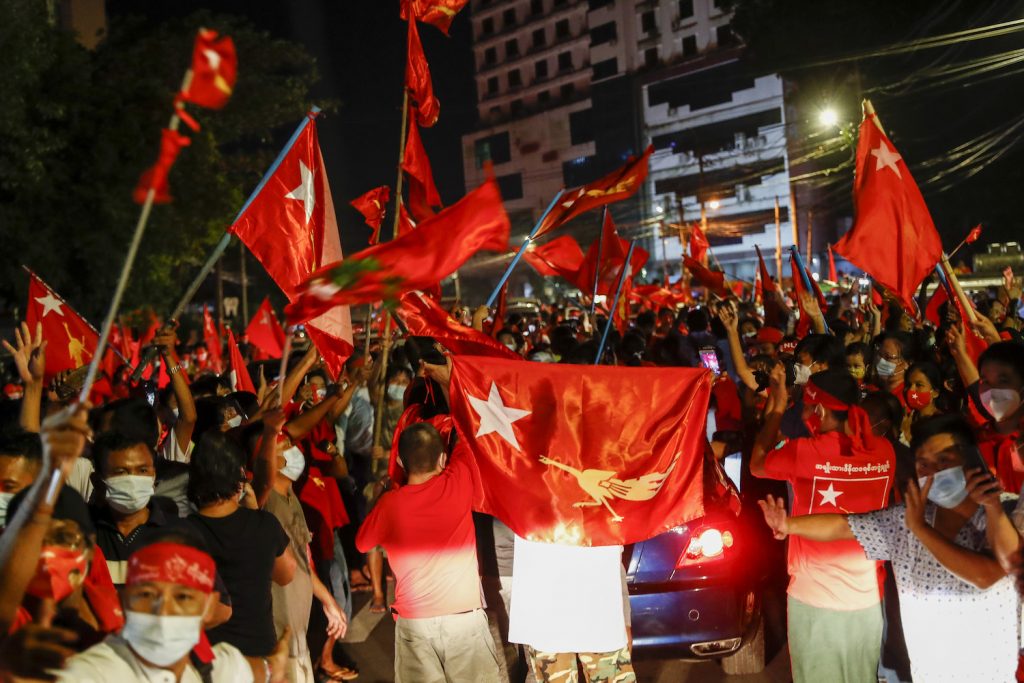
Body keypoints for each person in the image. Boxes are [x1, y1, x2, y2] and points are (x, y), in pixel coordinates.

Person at [759, 414, 1021, 682]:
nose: (933, 473)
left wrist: (923, 528)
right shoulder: (905, 518)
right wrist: (789, 525)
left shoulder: (1008, 512)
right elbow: (844, 526)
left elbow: (987, 575)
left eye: (944, 461)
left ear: (971, 461)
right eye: (924, 465)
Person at [750, 367, 896, 683]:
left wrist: (776, 409)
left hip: (816, 601)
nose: (802, 412)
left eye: (804, 404)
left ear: (819, 408)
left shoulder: (805, 451)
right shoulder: (884, 451)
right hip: (868, 600)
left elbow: (758, 463)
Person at [356, 422, 500, 683]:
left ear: (400, 460)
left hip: (416, 623)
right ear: (443, 458)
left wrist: (381, 497)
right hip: (463, 618)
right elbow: (467, 435)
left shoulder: (390, 504)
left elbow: (363, 544)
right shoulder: (458, 480)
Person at [56, 532, 291, 682]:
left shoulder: (209, 668)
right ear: (125, 601)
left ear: (209, 606)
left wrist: (274, 668)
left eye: (183, 597)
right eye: (147, 594)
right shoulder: (93, 674)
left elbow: (260, 669)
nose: (164, 611)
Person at [253, 409, 350, 682]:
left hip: (298, 624)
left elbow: (303, 560)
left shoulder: (290, 495)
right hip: (280, 627)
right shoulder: (265, 502)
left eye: (293, 445)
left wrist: (327, 599)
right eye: (286, 447)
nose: (295, 452)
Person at [183, 431, 297, 658]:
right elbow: (286, 574)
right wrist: (254, 512)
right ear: (239, 478)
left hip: (208, 658)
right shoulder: (263, 525)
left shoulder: (183, 533)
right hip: (259, 652)